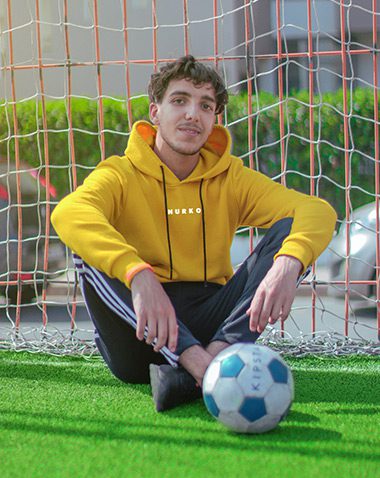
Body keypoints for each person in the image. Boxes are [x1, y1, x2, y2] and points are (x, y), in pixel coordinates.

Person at [51, 55, 337, 412]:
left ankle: (204, 365)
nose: (193, 114)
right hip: (139, 333)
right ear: (155, 112)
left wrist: (289, 263)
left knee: (291, 234)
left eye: (205, 105)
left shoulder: (231, 178)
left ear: (214, 118)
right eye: (179, 100)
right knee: (86, 248)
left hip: (212, 322)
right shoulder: (120, 174)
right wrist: (138, 275)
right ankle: (208, 367)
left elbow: (317, 210)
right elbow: (69, 212)